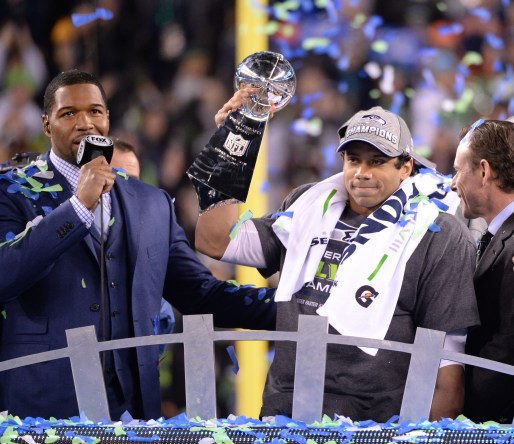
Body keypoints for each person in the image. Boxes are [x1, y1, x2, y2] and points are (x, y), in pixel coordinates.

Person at [0, 70, 276, 421]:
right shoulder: (11, 191)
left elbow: (201, 294)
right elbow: (5, 273)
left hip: (131, 412)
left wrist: (299, 303)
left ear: (108, 119)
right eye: (69, 113)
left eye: (95, 112)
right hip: (42, 410)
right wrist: (77, 208)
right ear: (46, 124)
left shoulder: (151, 202)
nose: (85, 123)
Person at [195, 95, 480, 422]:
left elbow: (448, 364)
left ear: (405, 167)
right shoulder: (307, 204)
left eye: (377, 161)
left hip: (374, 427)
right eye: (353, 159)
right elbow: (214, 240)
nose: (362, 172)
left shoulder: (437, 232)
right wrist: (232, 148)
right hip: (285, 415)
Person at [451, 119, 514, 423]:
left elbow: (508, 345)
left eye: (458, 170)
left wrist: (465, 412)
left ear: (485, 171)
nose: (452, 184)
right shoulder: (496, 236)